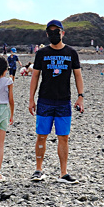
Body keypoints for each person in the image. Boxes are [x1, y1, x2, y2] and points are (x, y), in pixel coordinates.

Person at [28, 20, 85, 183]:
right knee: (41, 136)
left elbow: (78, 75)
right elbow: (35, 76)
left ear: (63, 33)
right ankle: (38, 170)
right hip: (45, 100)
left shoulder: (71, 53)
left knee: (63, 137)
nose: (54, 34)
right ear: (47, 34)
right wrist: (31, 99)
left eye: (57, 31)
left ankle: (63, 173)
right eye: (51, 32)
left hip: (64, 102)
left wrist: (80, 96)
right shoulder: (41, 53)